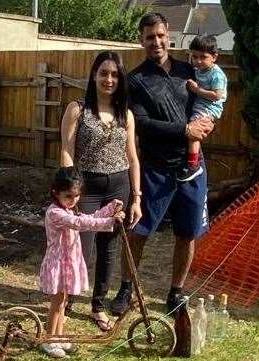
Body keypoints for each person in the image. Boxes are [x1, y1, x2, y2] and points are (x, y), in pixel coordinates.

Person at [110, 13, 214, 316]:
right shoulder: (135, 80)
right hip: (155, 169)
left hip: (192, 168)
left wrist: (207, 126)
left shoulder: (188, 70)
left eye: (160, 35)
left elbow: (209, 104)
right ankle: (126, 289)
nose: (156, 42)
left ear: (168, 35)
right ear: (141, 40)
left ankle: (176, 292)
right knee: (138, 231)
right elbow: (141, 124)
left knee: (188, 233)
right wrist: (185, 131)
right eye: (149, 37)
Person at [60, 51, 142, 331]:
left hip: (118, 188)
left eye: (115, 74)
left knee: (108, 250)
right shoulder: (77, 109)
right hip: (87, 188)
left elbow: (132, 158)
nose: (109, 79)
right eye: (104, 73)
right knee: (79, 248)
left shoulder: (126, 115)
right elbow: (67, 151)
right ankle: (67, 297)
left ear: (120, 79)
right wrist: (69, 192)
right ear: (94, 75)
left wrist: (137, 198)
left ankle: (98, 306)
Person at [39, 166, 125, 358]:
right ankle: (49, 339)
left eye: (76, 196)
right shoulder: (56, 214)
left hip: (67, 264)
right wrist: (109, 221)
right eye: (68, 196)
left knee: (64, 301)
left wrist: (110, 209)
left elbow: (89, 217)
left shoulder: (69, 209)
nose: (73, 200)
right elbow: (82, 224)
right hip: (58, 265)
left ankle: (59, 336)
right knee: (57, 303)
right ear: (55, 193)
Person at [177, 35, 228, 182]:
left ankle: (193, 165)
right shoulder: (198, 70)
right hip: (200, 105)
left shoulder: (216, 74)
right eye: (195, 56)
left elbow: (217, 96)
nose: (198, 61)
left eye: (203, 57)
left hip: (208, 108)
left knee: (193, 131)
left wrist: (198, 90)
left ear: (214, 57)